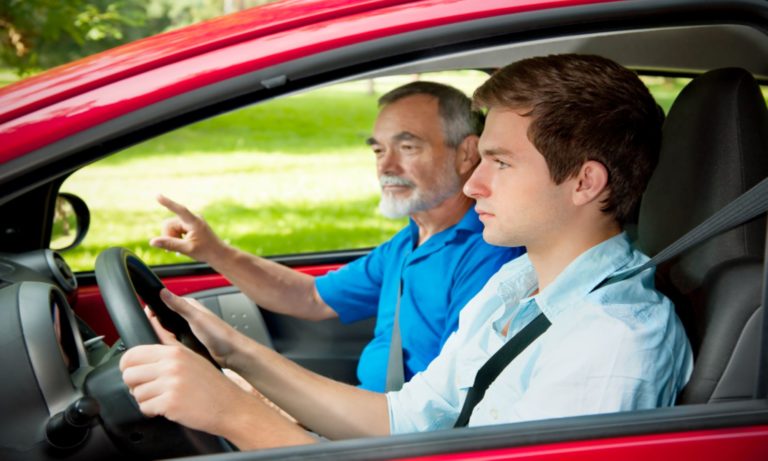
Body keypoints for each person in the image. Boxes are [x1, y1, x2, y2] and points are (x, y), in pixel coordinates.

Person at [121, 54, 693, 450]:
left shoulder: (611, 342)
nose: (474, 185)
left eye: (501, 162)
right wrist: (233, 352)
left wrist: (232, 413)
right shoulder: (517, 287)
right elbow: (405, 419)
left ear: (584, 183)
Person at [149, 81, 523, 392]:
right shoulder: (410, 240)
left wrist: (256, 389)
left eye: (407, 147)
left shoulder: (489, 252)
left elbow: (445, 405)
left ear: (466, 153)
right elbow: (310, 297)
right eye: (379, 149)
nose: (386, 166)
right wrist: (214, 251)